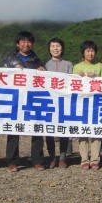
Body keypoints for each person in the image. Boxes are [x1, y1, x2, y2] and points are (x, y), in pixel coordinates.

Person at [2, 31, 45, 172]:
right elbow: (1, 77)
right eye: (23, 41)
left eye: (29, 41)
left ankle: (37, 160)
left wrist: (43, 71)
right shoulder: (10, 59)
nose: (26, 44)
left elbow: (45, 78)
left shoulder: (37, 60)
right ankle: (12, 161)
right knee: (14, 129)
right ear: (17, 43)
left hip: (33, 98)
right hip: (16, 98)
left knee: (37, 128)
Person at [72, 40, 102, 170]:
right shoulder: (77, 67)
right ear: (83, 52)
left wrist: (96, 76)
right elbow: (72, 85)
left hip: (96, 103)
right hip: (82, 103)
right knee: (83, 131)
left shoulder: (99, 66)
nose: (90, 53)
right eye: (87, 51)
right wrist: (78, 77)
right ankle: (84, 159)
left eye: (92, 51)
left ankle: (95, 159)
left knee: (96, 131)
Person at [44, 37, 72, 168]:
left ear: (62, 48)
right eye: (53, 46)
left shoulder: (68, 64)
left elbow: (73, 83)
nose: (55, 48)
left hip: (64, 102)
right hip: (49, 102)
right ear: (49, 49)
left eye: (58, 46)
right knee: (49, 130)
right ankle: (51, 157)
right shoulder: (44, 66)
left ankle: (62, 157)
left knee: (63, 130)